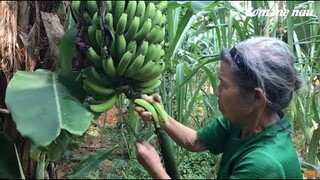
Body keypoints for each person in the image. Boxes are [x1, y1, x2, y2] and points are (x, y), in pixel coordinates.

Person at [134, 37, 304, 179]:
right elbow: (195, 141)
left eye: (224, 85)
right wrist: (161, 114)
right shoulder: (245, 121)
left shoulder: (262, 164)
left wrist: (156, 170)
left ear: (257, 97)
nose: (217, 92)